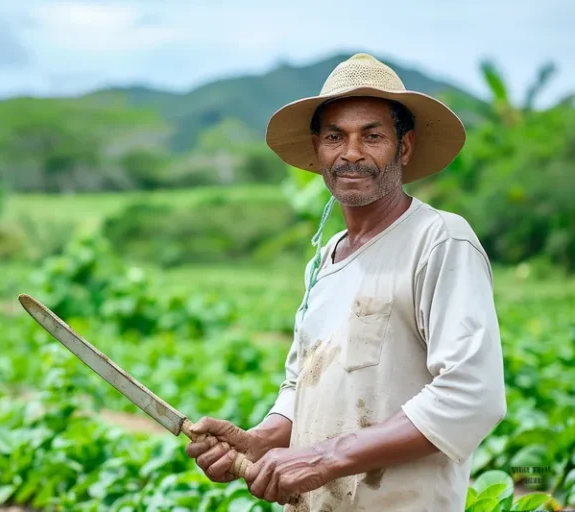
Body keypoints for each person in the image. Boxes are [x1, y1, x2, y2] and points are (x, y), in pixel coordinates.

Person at [185, 53, 507, 511]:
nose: (351, 153)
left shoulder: (439, 239)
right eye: (335, 137)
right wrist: (259, 441)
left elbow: (472, 395)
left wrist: (326, 458)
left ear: (405, 147)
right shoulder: (323, 259)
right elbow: (303, 385)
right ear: (318, 149)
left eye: (372, 136)